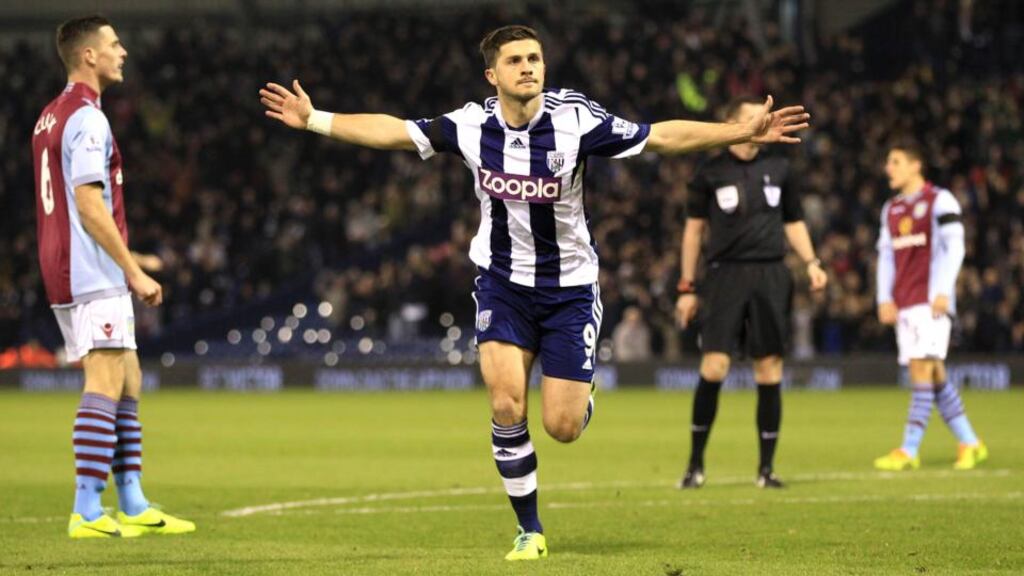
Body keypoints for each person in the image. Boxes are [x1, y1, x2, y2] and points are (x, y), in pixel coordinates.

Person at [259, 25, 809, 560]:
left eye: (535, 59)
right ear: (492, 74)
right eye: (516, 60)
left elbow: (659, 136)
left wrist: (739, 132)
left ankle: (581, 396)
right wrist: (315, 120)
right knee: (504, 402)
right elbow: (397, 131)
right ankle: (529, 530)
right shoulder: (470, 124)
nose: (528, 68)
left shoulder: (575, 119)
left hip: (570, 289)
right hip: (502, 284)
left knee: (562, 427)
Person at [32, 15, 195, 538]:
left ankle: (132, 500)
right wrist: (132, 271)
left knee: (128, 379)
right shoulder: (88, 119)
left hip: (71, 263)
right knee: (104, 380)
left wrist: (133, 257)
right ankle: (86, 508)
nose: (123, 52)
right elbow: (86, 202)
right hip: (90, 272)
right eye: (114, 44)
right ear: (89, 57)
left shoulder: (50, 117)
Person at [674, 96, 827, 490]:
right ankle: (694, 466)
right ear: (733, 123)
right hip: (725, 275)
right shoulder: (709, 170)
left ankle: (766, 469)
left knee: (769, 368)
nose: (764, 119)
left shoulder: (780, 166)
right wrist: (687, 286)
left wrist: (811, 262)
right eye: (754, 115)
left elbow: (792, 221)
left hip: (771, 275)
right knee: (715, 368)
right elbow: (693, 232)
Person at [872, 142, 987, 471]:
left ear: (915, 164)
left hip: (930, 301)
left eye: (895, 162)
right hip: (905, 303)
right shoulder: (890, 209)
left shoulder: (940, 200)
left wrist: (942, 290)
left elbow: (955, 248)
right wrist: (884, 297)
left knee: (920, 370)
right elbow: (886, 257)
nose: (888, 168)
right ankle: (971, 442)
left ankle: (908, 449)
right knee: (934, 375)